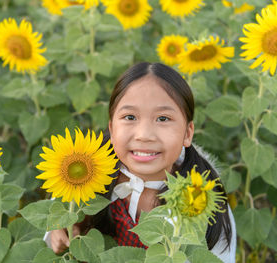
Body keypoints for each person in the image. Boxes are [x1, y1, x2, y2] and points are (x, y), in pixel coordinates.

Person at [45, 62, 236, 262]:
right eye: (130, 117)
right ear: (112, 128)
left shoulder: (202, 202)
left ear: (187, 133)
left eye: (163, 118)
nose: (144, 135)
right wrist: (58, 230)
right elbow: (59, 215)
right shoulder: (85, 172)